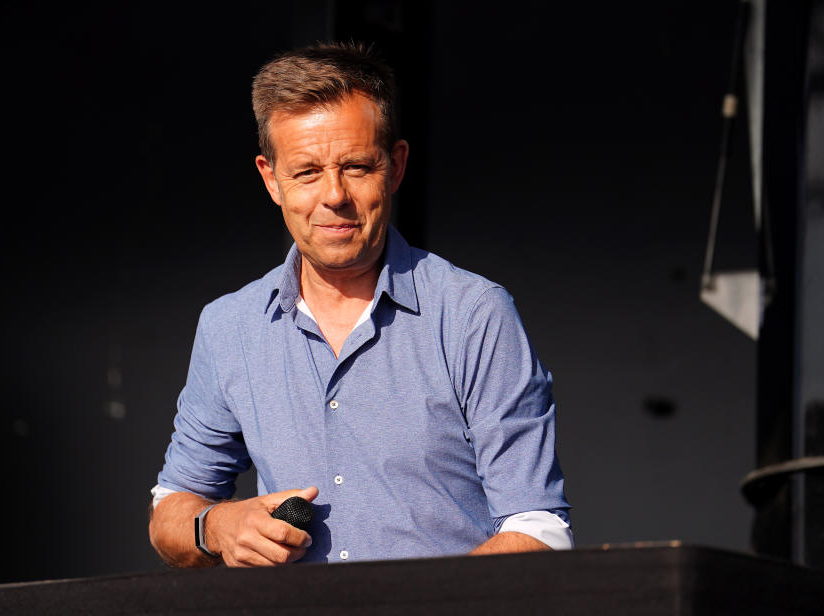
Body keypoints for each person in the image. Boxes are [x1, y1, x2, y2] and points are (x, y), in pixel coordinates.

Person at [149, 42, 571, 568]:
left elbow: (539, 528)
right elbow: (171, 509)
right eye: (306, 172)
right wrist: (217, 526)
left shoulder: (472, 313)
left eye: (356, 166)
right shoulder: (227, 327)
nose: (334, 196)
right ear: (270, 178)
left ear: (395, 167)